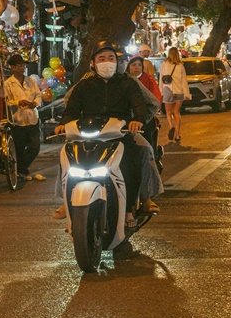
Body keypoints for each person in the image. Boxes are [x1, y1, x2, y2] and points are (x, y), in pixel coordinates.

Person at [55, 41, 159, 228]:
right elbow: (70, 109)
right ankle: (65, 200)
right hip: (88, 133)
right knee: (67, 155)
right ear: (93, 63)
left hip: (121, 133)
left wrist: (138, 121)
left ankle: (135, 204)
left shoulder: (128, 83)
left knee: (139, 153)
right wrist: (64, 124)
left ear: (117, 61)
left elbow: (140, 107)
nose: (107, 62)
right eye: (101, 58)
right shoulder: (84, 85)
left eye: (111, 58)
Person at [3, 53, 45, 182]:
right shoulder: (8, 83)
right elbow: (5, 102)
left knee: (35, 147)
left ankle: (20, 168)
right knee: (19, 149)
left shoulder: (30, 81)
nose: (22, 68)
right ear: (13, 67)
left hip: (32, 118)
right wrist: (17, 103)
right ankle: (21, 170)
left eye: (23, 65)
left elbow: (38, 95)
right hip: (18, 120)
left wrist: (35, 103)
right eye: (20, 65)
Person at [159, 47, 190, 143]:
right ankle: (177, 134)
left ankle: (171, 126)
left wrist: (161, 92)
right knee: (176, 112)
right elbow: (184, 80)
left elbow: (161, 78)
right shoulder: (180, 66)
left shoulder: (164, 64)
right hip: (179, 91)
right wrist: (187, 93)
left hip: (168, 90)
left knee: (168, 112)